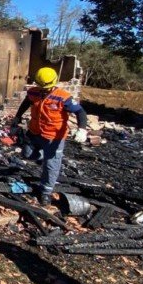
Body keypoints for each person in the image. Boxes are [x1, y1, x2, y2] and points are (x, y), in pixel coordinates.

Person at [10, 67, 88, 206]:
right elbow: (26, 102)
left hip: (54, 136)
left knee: (51, 165)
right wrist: (17, 117)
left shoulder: (63, 97)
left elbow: (80, 112)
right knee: (27, 154)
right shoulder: (34, 92)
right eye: (41, 87)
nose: (43, 90)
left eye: (45, 88)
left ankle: (46, 192)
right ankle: (41, 157)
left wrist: (82, 129)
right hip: (34, 132)